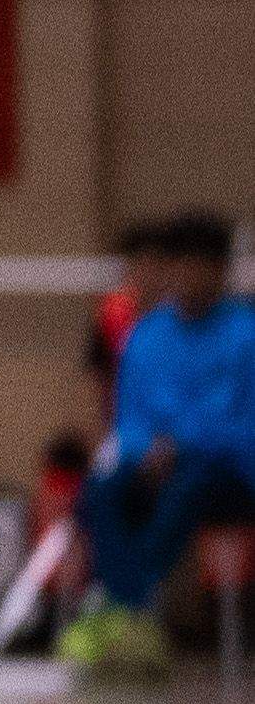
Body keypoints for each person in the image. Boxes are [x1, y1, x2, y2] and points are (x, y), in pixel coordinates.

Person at [72, 210, 251, 677]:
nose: (187, 277)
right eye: (179, 266)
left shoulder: (245, 336)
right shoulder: (146, 335)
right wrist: (143, 449)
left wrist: (182, 445)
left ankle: (127, 610)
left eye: (198, 266)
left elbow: (242, 422)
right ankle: (131, 615)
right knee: (102, 487)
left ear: (220, 271)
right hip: (154, 461)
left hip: (226, 470)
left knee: (189, 484)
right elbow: (129, 418)